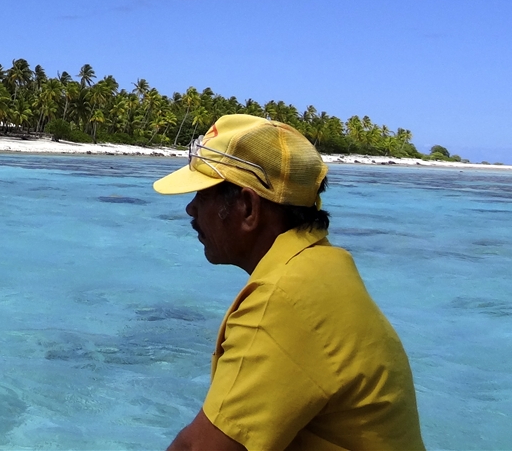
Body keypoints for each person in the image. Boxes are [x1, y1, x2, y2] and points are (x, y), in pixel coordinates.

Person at [154, 114, 425, 451]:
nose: (190, 209)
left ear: (249, 208)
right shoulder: (323, 267)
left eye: (203, 194)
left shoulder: (282, 299)